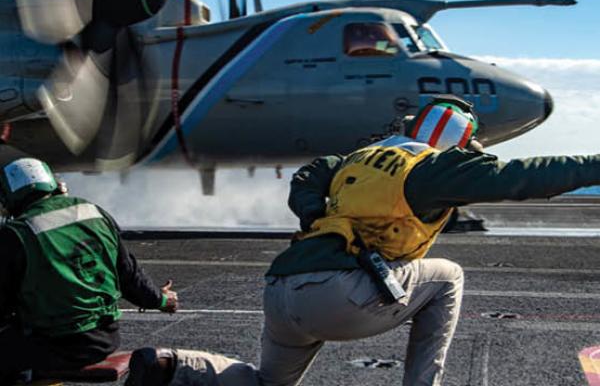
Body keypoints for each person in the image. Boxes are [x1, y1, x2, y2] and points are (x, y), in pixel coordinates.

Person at [258, 94, 600, 386]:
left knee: (265, 382)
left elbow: (309, 174)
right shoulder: (432, 168)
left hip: (280, 290)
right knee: (448, 276)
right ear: (463, 144)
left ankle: (202, 367)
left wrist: (315, 214)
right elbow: (527, 176)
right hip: (337, 296)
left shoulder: (358, 158)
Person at [0, 147, 178, 384]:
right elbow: (129, 276)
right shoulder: (93, 213)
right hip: (105, 339)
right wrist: (162, 300)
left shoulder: (16, 235)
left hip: (55, 345)